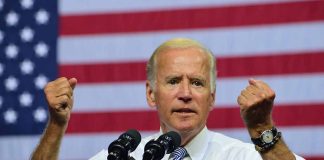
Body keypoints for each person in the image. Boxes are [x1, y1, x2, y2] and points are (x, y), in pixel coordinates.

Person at [31, 38, 304, 160]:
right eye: (173, 81)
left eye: (196, 83)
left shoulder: (242, 157)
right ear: (151, 94)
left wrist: (262, 130)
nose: (185, 93)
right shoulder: (123, 155)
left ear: (212, 98)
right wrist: (56, 125)